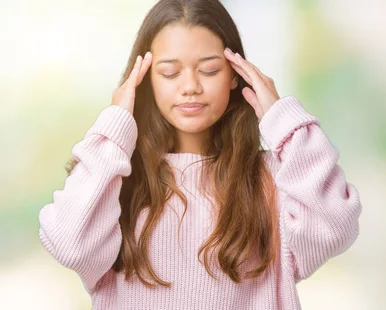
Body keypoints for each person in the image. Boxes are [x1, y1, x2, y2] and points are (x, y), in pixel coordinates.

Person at [38, 0, 362, 308]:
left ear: (236, 74)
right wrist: (114, 126)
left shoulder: (272, 179)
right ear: (145, 81)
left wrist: (284, 120)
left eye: (209, 70)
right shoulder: (115, 180)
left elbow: (335, 226)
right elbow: (69, 244)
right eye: (169, 73)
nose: (190, 86)